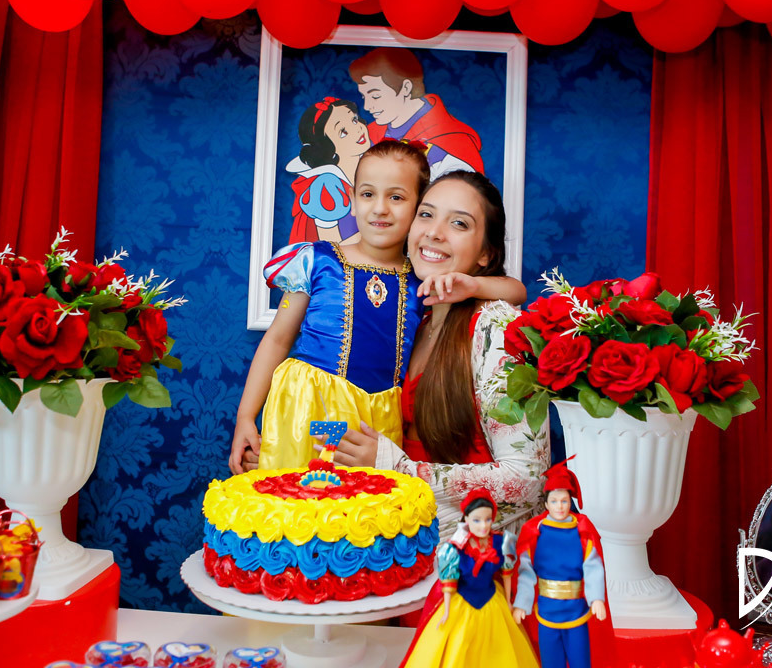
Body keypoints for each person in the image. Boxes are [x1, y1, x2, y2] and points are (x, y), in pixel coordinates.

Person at [229, 145, 526, 473]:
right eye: (368, 194)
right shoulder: (318, 261)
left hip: (378, 417)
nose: (380, 209)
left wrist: (474, 285)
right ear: (353, 199)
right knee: (305, 493)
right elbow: (277, 339)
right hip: (311, 406)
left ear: (415, 209)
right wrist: (246, 416)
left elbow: (517, 291)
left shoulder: (420, 278)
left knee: (367, 499)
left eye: (396, 198)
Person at [328, 170, 549, 535]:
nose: (434, 232)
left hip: (474, 554)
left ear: (485, 254)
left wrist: (396, 468)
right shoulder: (413, 317)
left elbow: (527, 481)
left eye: (459, 223)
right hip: (405, 538)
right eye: (426, 214)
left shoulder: (495, 328)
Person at [400, 488, 540, 668]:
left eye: (487, 519)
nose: (483, 525)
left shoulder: (501, 543)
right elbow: (449, 581)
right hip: (462, 602)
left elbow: (507, 573)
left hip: (492, 600)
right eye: (477, 520)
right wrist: (447, 611)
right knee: (458, 645)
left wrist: (508, 601)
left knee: (499, 647)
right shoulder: (455, 547)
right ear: (466, 519)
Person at [513, 460, 609, 668]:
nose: (559, 506)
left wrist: (596, 598)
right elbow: (526, 571)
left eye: (564, 501)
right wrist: (522, 603)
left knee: (580, 660)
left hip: (576, 608)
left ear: (570, 502)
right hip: (547, 608)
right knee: (551, 661)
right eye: (554, 501)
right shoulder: (534, 532)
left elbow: (593, 567)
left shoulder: (582, 531)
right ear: (546, 504)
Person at [349, 48, 484, 179]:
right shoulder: (369, 135)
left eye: (376, 96)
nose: (367, 106)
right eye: (364, 97)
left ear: (406, 88)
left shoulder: (450, 144)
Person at [287, 97, 370, 244]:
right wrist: (373, 240)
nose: (357, 128)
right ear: (326, 148)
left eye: (354, 120)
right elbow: (330, 250)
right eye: (343, 132)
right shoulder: (327, 186)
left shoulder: (372, 169)